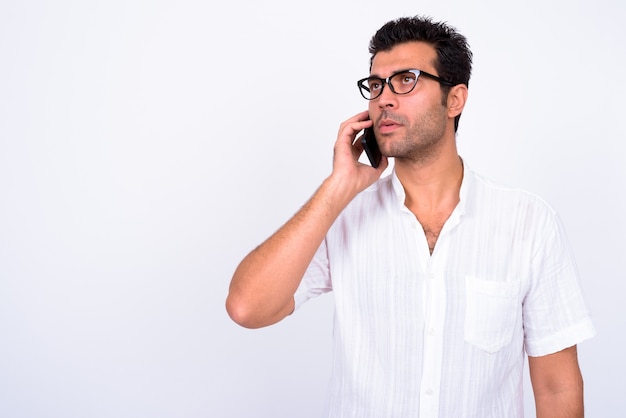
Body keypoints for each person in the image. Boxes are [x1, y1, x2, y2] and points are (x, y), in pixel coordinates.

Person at [226, 15, 595, 418]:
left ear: (455, 99)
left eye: (406, 80)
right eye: (377, 84)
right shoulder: (344, 216)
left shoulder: (527, 223)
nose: (385, 98)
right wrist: (337, 188)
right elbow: (247, 307)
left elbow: (557, 387)